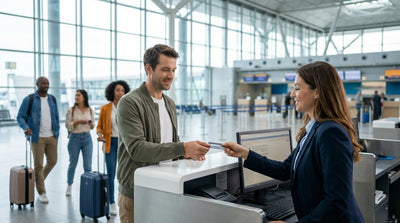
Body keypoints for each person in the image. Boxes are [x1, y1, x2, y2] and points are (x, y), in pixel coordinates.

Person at [222, 61, 364, 223]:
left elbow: (337, 200)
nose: (292, 94)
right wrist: (245, 154)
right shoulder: (313, 129)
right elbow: (286, 169)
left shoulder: (330, 133)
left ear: (317, 92)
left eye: (297, 88)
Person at [116, 44, 210, 223]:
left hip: (165, 187)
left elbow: (172, 142)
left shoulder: (169, 104)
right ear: (148, 68)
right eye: (165, 69)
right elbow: (137, 149)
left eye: (174, 70)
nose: (171, 75)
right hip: (137, 192)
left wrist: (186, 153)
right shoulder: (130, 103)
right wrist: (182, 148)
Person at [16, 76, 59, 204]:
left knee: (52, 161)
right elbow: (20, 117)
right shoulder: (29, 99)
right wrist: (26, 128)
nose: (46, 85)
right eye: (43, 83)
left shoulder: (52, 99)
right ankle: (42, 192)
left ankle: (36, 181)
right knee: (38, 164)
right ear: (37, 84)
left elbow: (56, 116)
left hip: (52, 136)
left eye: (47, 83)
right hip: (36, 137)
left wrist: (57, 131)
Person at [96, 80, 131, 215]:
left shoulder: (128, 107)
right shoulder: (106, 108)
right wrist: (100, 134)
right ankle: (111, 202)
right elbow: (99, 126)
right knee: (111, 174)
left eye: (122, 90)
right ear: (112, 92)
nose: (120, 93)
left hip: (125, 144)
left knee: (124, 174)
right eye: (117, 90)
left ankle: (124, 200)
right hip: (110, 143)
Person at [65, 89, 95, 196]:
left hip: (87, 138)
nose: (76, 97)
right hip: (74, 138)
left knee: (88, 165)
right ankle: (69, 185)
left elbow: (92, 126)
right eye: (76, 95)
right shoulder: (71, 110)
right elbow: (67, 125)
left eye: (79, 95)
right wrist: (77, 122)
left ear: (84, 97)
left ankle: (88, 186)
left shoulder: (90, 110)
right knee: (72, 164)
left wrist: (90, 124)